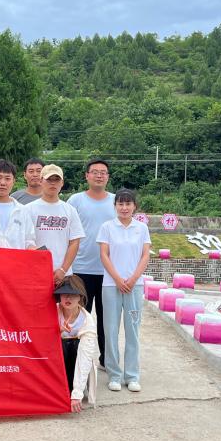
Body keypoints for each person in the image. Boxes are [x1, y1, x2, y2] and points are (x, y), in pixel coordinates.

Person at [97, 189, 151, 393]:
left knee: (133, 330)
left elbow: (145, 255)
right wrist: (118, 279)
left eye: (128, 204)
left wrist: (133, 278)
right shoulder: (107, 227)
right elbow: (104, 255)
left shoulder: (142, 228)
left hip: (134, 287)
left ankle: (132, 376)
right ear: (115, 206)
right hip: (111, 286)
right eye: (120, 204)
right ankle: (114, 375)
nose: (124, 207)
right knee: (110, 331)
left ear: (134, 206)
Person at [68, 159, 116, 367]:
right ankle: (77, 360)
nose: (99, 175)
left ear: (108, 177)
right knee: (79, 317)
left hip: (109, 272)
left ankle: (107, 360)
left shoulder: (116, 201)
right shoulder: (75, 201)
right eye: (94, 172)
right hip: (80, 269)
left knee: (107, 320)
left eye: (103, 172)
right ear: (86, 176)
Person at [26, 164, 85, 285]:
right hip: (35, 272)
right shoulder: (28, 209)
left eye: (57, 180)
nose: (53, 183)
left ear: (62, 183)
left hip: (63, 275)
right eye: (49, 179)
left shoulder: (70, 210)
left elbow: (74, 242)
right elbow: (25, 240)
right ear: (41, 181)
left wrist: (63, 269)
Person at [54, 277, 97, 412]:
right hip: (56, 361)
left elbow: (85, 356)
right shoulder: (52, 312)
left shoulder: (87, 320)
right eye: (64, 294)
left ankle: (72, 386)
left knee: (75, 344)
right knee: (61, 343)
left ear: (80, 297)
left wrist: (77, 393)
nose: (68, 298)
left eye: (73, 294)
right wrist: (57, 331)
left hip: (75, 360)